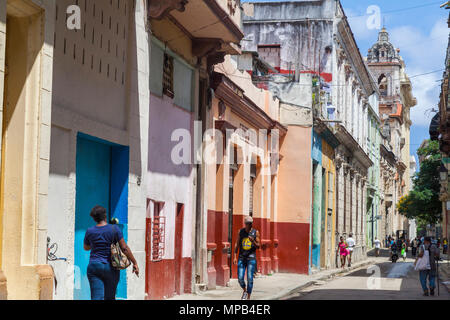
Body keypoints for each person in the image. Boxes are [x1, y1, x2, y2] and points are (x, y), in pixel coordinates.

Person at [84, 205, 139, 300]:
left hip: (94, 266)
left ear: (94, 218)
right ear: (105, 216)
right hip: (110, 268)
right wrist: (134, 262)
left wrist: (96, 243)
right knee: (110, 297)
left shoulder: (90, 231)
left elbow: (86, 247)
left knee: (96, 297)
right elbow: (124, 248)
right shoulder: (114, 229)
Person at [233, 216, 260, 300]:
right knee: (240, 278)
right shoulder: (241, 232)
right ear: (245, 224)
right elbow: (237, 244)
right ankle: (245, 290)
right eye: (248, 223)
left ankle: (248, 297)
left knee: (250, 279)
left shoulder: (256, 232)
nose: (249, 225)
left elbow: (259, 246)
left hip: (251, 258)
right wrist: (234, 256)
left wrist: (253, 241)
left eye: (250, 223)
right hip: (241, 258)